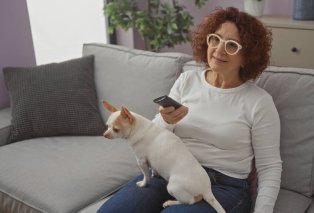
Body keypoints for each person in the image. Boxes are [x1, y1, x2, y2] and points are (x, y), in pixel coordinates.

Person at [98, 6, 282, 213]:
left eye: (232, 45)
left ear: (248, 56)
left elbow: (269, 167)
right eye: (215, 39)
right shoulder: (188, 80)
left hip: (222, 186)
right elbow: (153, 137)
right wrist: (166, 120)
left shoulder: (259, 102)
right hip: (170, 171)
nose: (219, 49)